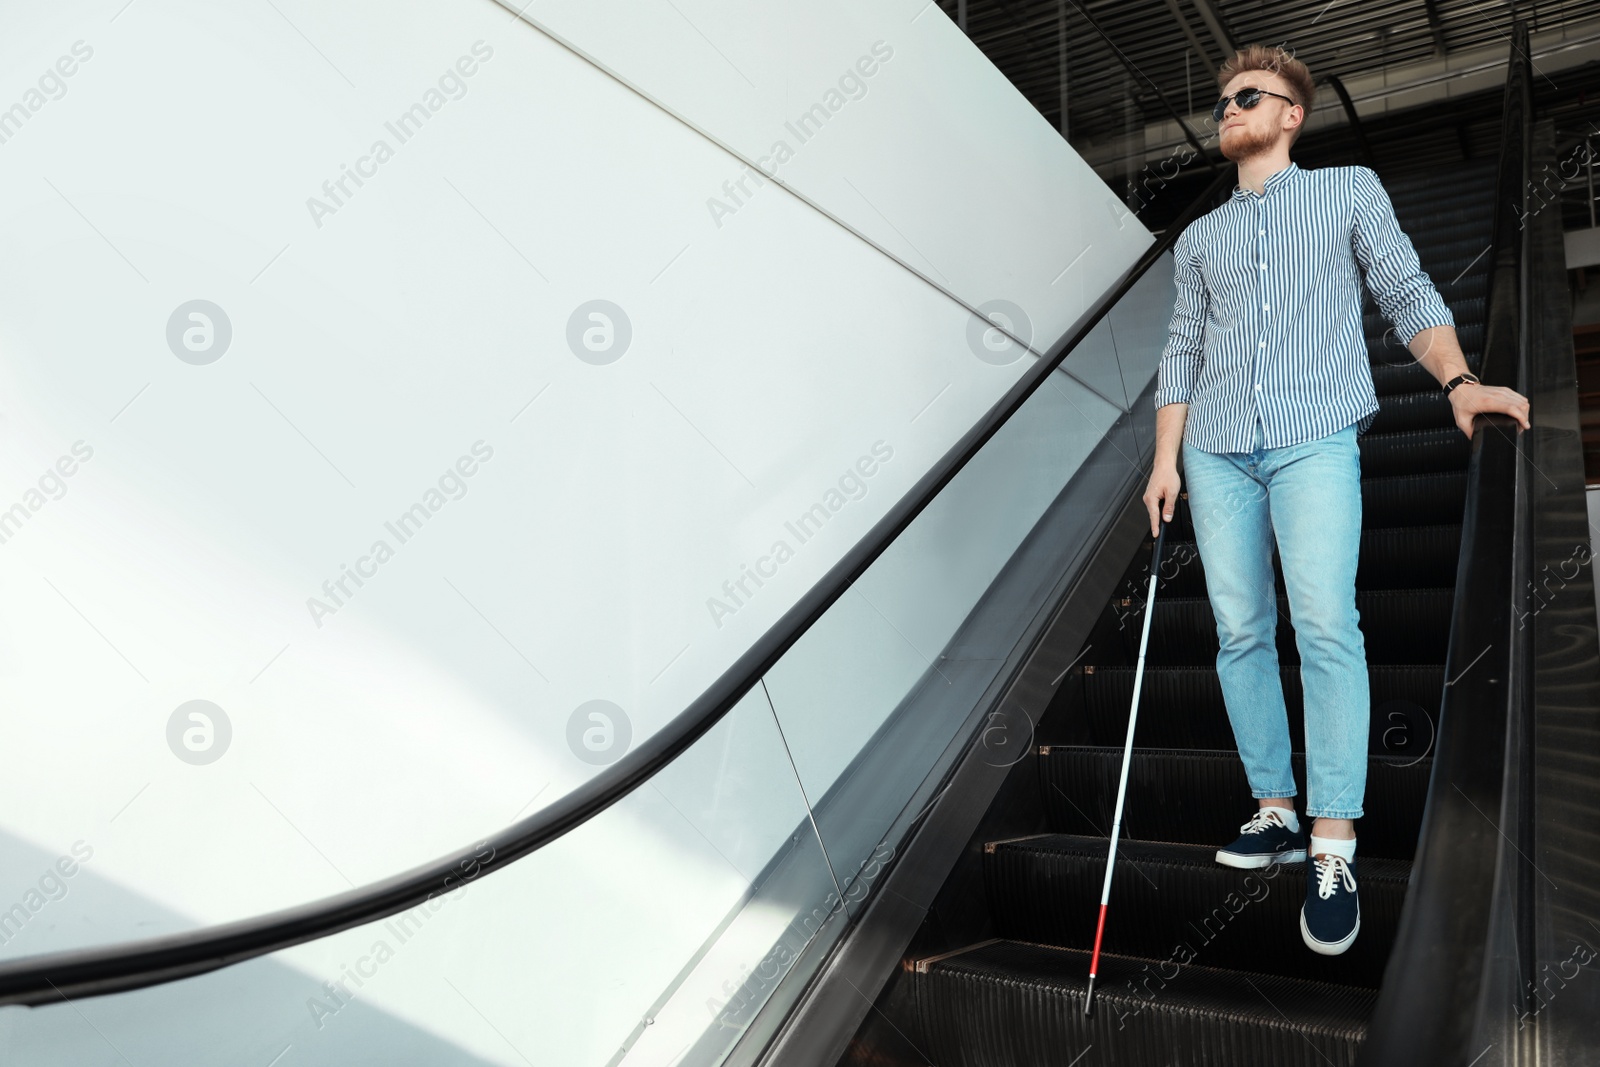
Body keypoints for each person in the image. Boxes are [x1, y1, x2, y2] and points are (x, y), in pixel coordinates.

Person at [1141, 44, 1531, 956]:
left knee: (1323, 623)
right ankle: (1274, 808)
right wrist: (1165, 461)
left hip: (1314, 433)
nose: (1227, 108)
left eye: (1248, 97)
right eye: (1222, 100)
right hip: (1215, 451)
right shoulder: (1198, 239)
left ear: (1291, 116)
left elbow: (1402, 287)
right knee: (1240, 630)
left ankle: (1333, 836)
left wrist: (1459, 380)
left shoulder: (1348, 189)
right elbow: (1181, 349)